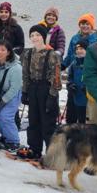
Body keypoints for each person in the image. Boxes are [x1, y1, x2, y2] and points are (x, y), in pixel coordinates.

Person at [20, 25, 62, 160]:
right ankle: (34, 148)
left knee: (48, 123)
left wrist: (52, 96)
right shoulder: (28, 54)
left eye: (37, 35)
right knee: (33, 120)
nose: (35, 38)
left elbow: (56, 77)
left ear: (43, 37)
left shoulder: (52, 54)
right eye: (32, 35)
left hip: (46, 89)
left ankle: (52, 153)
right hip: (33, 88)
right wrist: (25, 92)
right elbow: (25, 73)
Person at [65, 39, 89, 124]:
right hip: (76, 96)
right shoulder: (74, 64)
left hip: (88, 99)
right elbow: (69, 78)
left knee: (84, 122)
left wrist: (88, 87)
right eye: (77, 49)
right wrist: (70, 85)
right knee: (72, 121)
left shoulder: (91, 63)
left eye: (82, 49)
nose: (79, 51)